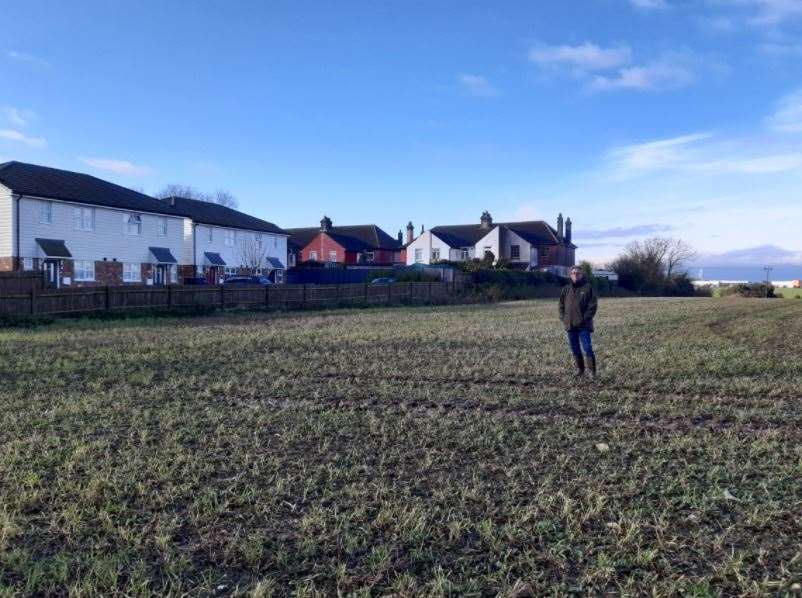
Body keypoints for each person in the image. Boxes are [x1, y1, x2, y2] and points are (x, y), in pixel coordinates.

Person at [559, 266, 599, 378]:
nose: (575, 274)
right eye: (573, 273)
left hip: (583, 326)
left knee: (587, 348)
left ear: (582, 275)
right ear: (570, 275)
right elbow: (561, 305)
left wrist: (584, 319)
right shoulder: (566, 289)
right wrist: (563, 318)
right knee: (575, 348)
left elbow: (593, 306)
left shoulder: (588, 288)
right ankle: (580, 370)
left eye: (578, 273)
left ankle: (592, 372)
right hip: (570, 325)